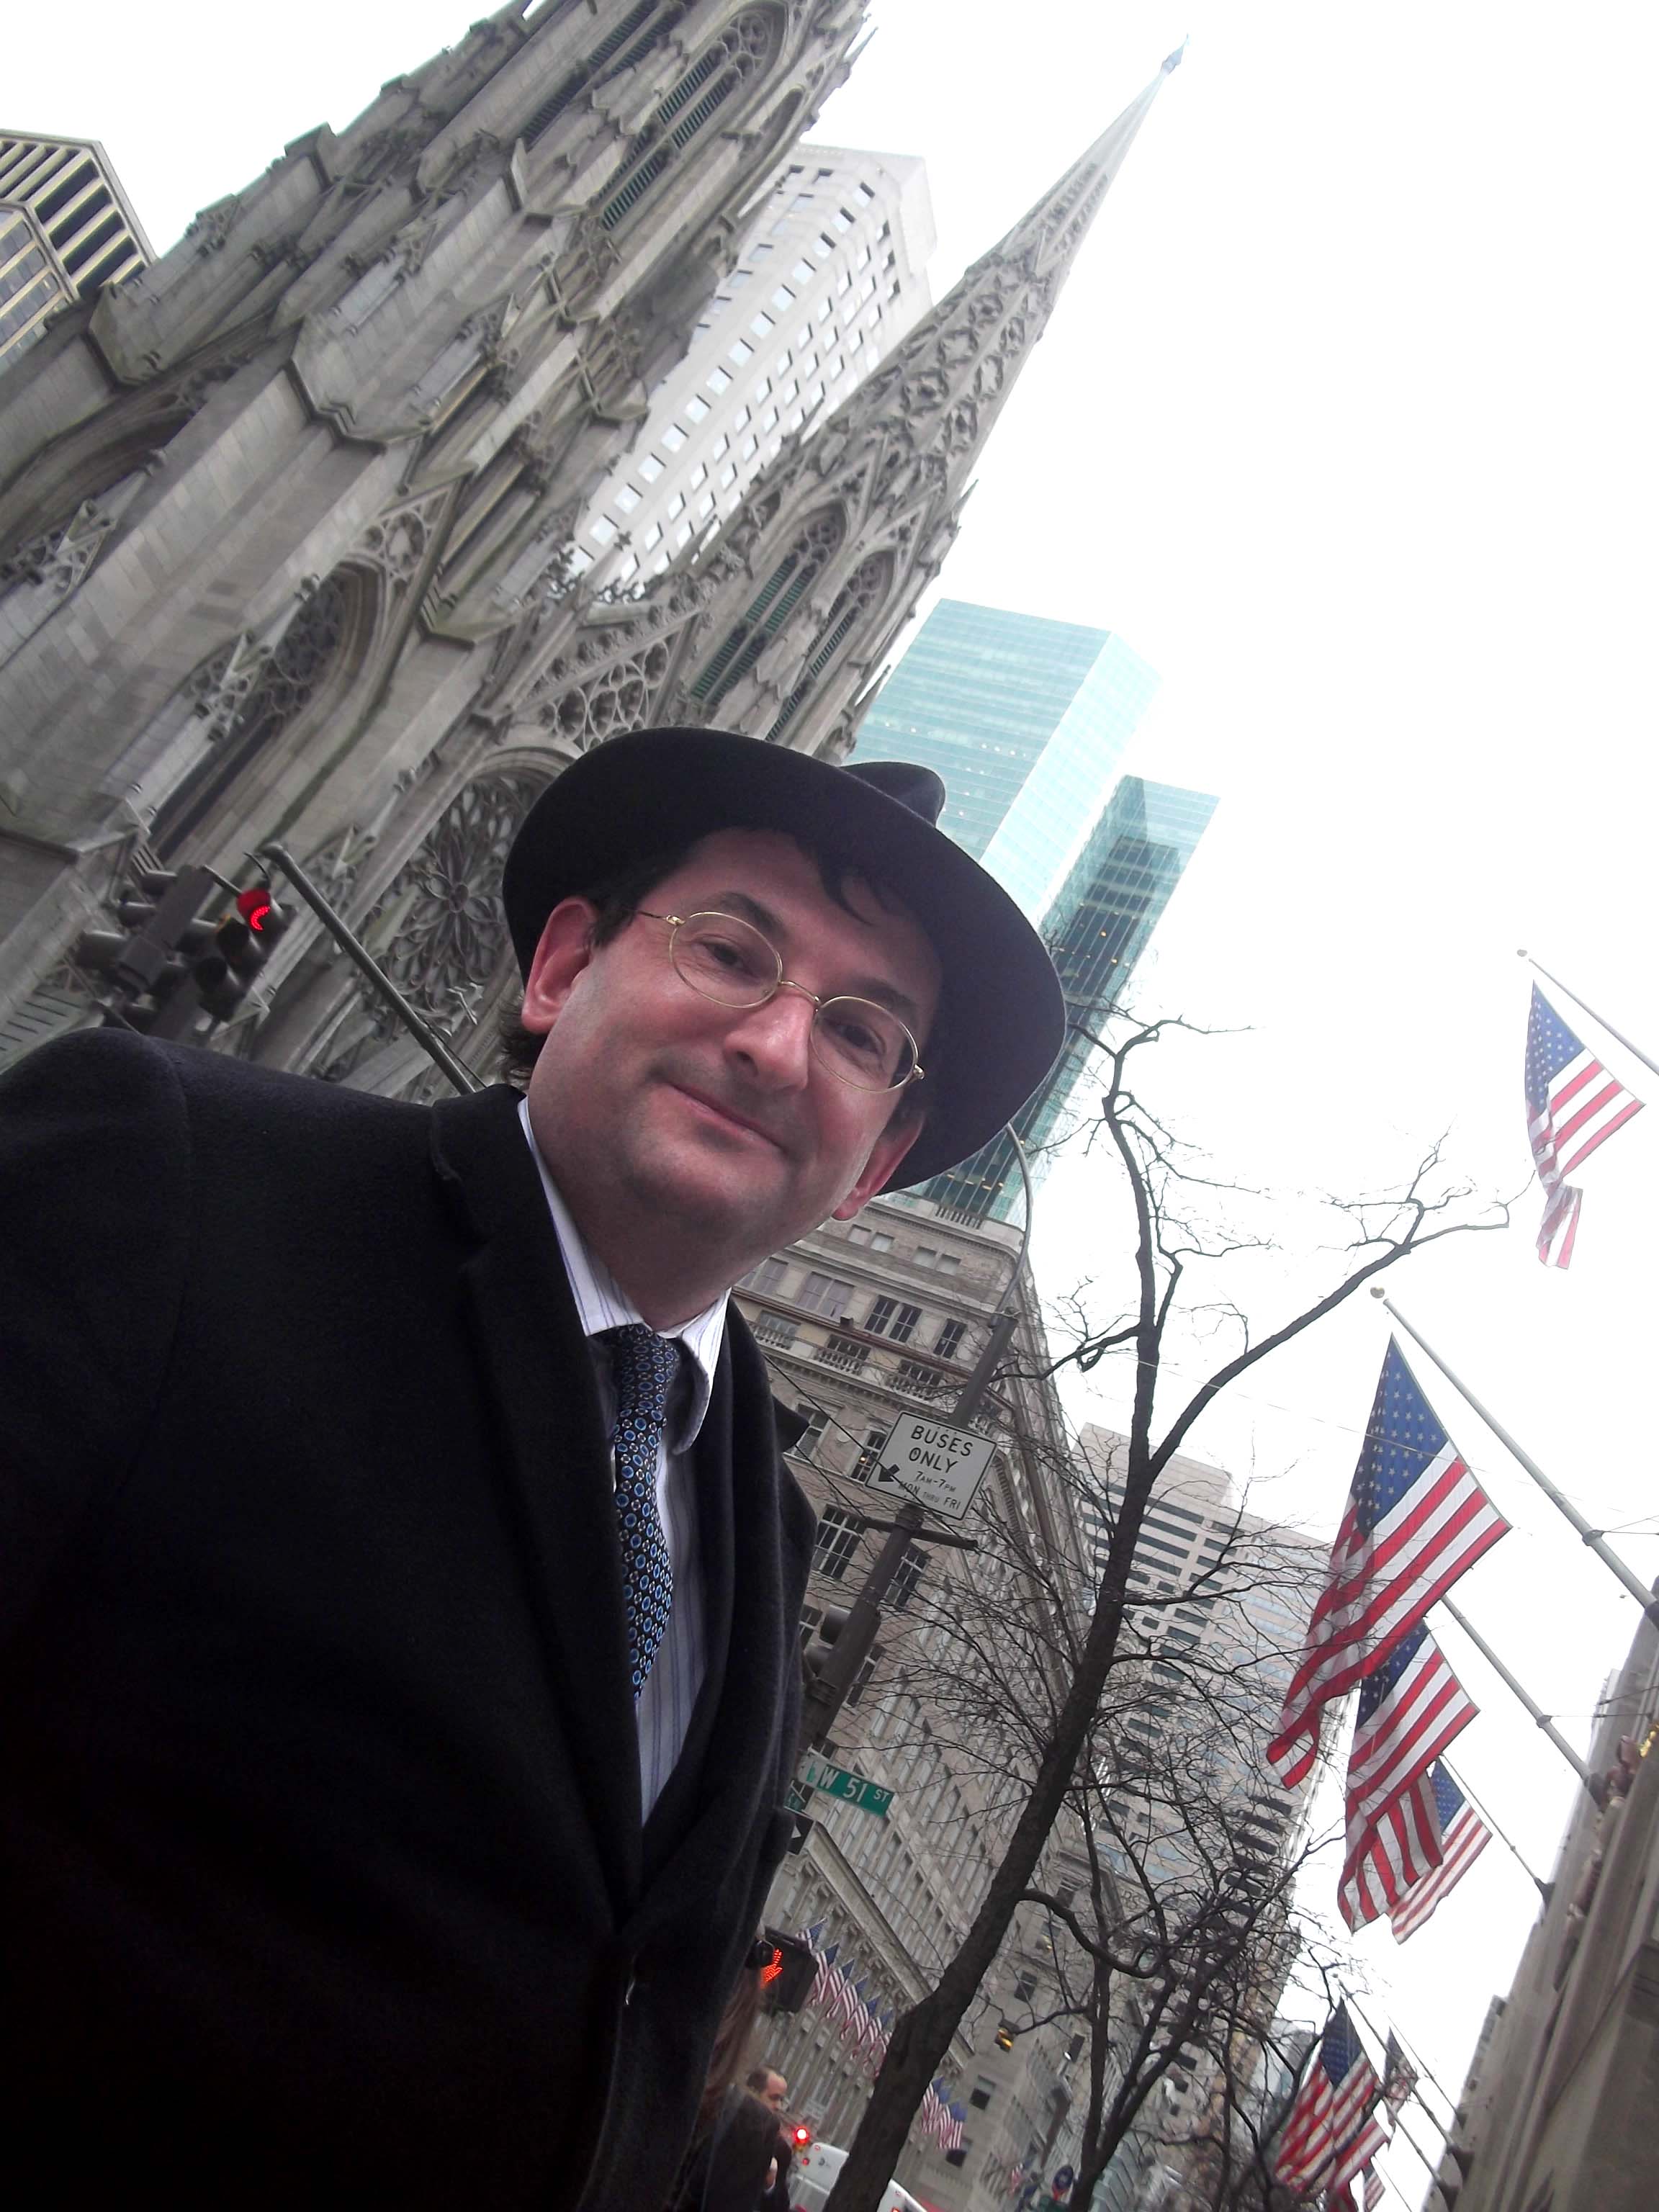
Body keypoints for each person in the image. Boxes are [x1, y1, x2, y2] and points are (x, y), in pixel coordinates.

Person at [0, 725, 1063, 2208]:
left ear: (877, 1159)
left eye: (862, 1036)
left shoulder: (768, 1516)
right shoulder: (176, 1176)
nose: (776, 1047)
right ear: (562, 967)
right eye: (731, 952)